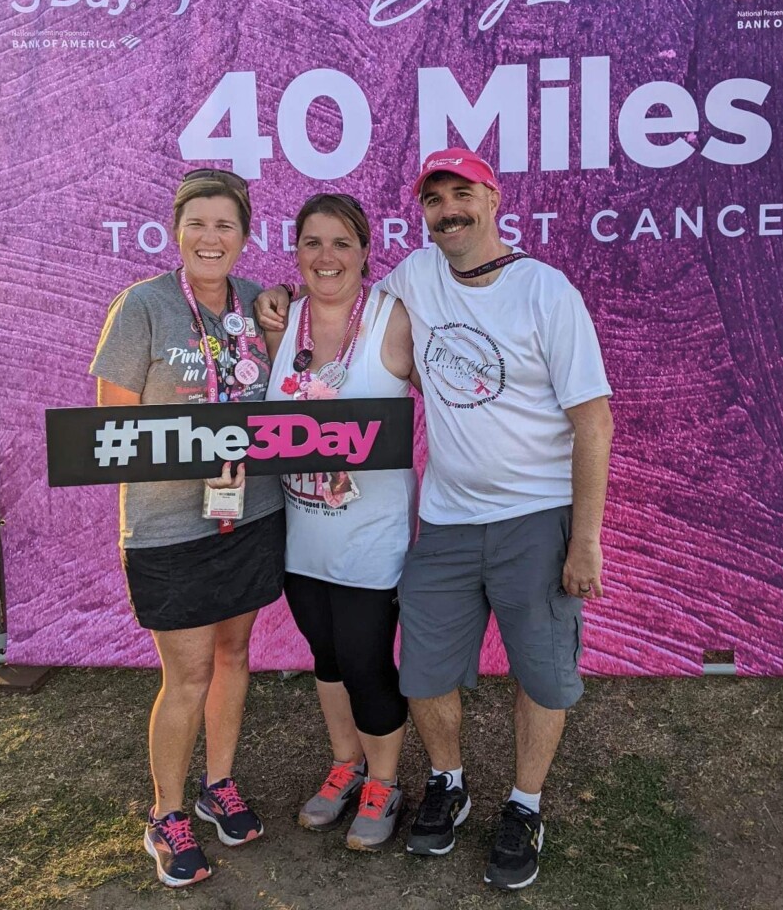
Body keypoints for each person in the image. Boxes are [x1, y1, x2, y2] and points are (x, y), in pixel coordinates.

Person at [256, 148, 614, 889]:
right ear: (421, 213)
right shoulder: (414, 278)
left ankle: (523, 804)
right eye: (434, 199)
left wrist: (584, 540)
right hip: (446, 520)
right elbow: (338, 293)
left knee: (541, 675)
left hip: (534, 516)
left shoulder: (546, 292)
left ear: (492, 199)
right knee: (422, 671)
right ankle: (446, 785)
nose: (448, 209)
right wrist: (278, 300)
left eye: (462, 194)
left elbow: (594, 421)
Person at [90, 169, 286, 889]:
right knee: (188, 673)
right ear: (177, 230)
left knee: (234, 655)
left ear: (243, 235)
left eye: (225, 226)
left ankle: (219, 785)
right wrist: (202, 443)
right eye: (198, 224)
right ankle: (166, 815)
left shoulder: (258, 304)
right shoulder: (141, 307)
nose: (212, 237)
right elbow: (108, 428)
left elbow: (282, 398)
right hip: (169, 526)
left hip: (253, 516)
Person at [264, 193, 416, 851]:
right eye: (312, 244)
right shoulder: (278, 320)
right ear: (296, 253)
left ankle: (384, 782)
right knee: (326, 657)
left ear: (363, 252)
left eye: (341, 244)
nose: (326, 257)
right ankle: (344, 766)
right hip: (300, 540)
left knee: (364, 660)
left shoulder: (393, 319)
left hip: (370, 538)